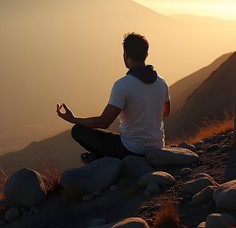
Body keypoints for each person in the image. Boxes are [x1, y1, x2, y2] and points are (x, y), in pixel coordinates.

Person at [56, 32, 171, 164]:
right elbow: (165, 112)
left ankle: (101, 158)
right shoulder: (161, 82)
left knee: (78, 131)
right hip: (157, 146)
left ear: (125, 55)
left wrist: (73, 118)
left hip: (131, 148)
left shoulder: (123, 85)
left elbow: (104, 122)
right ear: (146, 55)